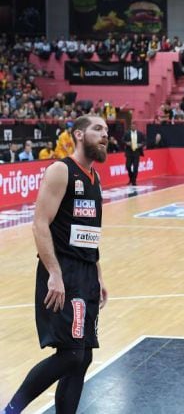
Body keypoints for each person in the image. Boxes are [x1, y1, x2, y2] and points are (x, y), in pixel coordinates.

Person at [2, 115, 109, 414]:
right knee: (71, 355)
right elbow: (39, 224)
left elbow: (91, 235)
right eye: (97, 129)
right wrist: (54, 273)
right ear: (78, 134)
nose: (104, 135)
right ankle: (11, 409)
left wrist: (99, 276)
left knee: (83, 356)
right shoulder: (61, 171)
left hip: (86, 274)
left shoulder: (95, 178)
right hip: (64, 273)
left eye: (107, 131)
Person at [122, 121, 145, 186]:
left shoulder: (140, 133)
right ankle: (131, 178)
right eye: (132, 126)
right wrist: (127, 143)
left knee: (135, 167)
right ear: (130, 127)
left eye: (134, 126)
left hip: (136, 152)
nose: (133, 127)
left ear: (136, 127)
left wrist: (141, 145)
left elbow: (144, 141)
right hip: (129, 152)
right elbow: (122, 140)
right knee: (128, 166)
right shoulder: (127, 133)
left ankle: (134, 181)